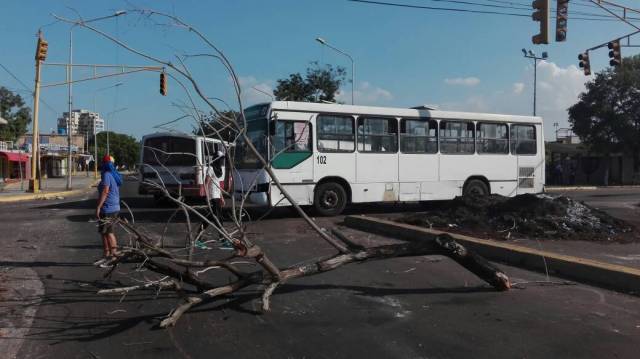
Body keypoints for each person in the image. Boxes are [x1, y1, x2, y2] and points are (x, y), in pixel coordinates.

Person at [93, 155, 123, 266]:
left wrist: (98, 207)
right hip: (113, 207)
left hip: (108, 208)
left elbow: (105, 191)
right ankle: (107, 255)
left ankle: (113, 257)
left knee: (109, 233)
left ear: (104, 164)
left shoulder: (107, 175)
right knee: (104, 232)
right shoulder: (114, 175)